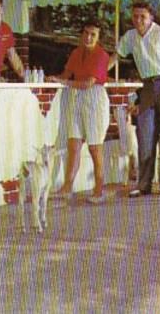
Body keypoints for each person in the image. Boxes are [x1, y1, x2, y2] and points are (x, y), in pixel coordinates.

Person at [112, 2, 160, 197]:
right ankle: (143, 184)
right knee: (145, 134)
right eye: (135, 16)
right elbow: (115, 58)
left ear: (151, 17)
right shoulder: (130, 37)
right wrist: (98, 75)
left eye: (142, 16)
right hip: (147, 87)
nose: (138, 20)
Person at [48, 21, 114, 204]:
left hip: (94, 100)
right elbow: (67, 74)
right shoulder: (76, 53)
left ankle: (99, 190)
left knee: (94, 146)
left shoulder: (102, 55)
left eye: (93, 34)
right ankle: (67, 187)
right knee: (73, 144)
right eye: (86, 33)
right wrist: (53, 79)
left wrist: (64, 83)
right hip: (76, 98)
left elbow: (88, 83)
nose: (88, 37)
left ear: (98, 37)